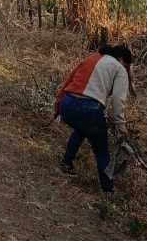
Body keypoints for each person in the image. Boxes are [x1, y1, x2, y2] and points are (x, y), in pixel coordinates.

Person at [53, 45, 132, 194]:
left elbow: (68, 81)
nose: (126, 69)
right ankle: (108, 192)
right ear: (122, 59)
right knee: (102, 152)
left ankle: (65, 164)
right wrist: (121, 124)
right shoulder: (119, 68)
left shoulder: (91, 58)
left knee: (81, 129)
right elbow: (118, 98)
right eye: (126, 65)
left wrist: (57, 107)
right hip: (88, 111)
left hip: (67, 106)